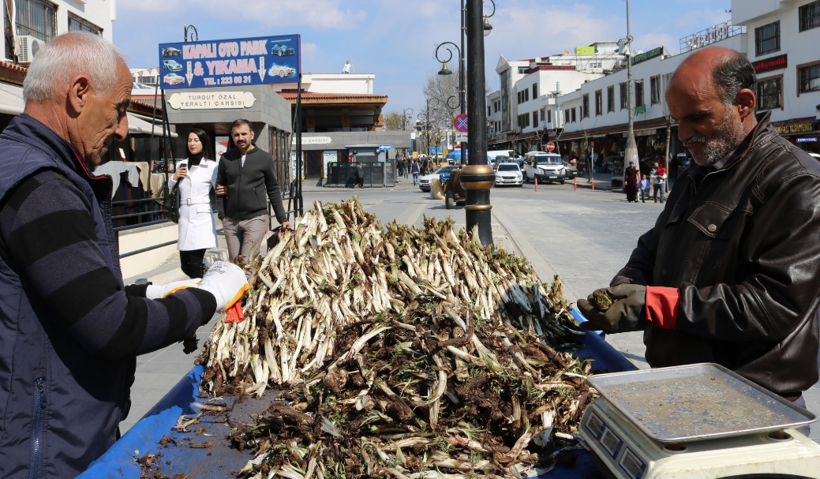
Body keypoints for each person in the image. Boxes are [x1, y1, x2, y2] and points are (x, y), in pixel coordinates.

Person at [0, 32, 249, 478]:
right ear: (79, 93)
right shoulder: (42, 187)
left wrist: (145, 292)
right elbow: (113, 327)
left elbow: (58, 297)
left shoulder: (18, 164)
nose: (122, 129)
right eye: (119, 109)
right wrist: (209, 297)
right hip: (44, 452)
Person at [577, 46, 820, 418]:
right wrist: (627, 286)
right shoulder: (696, 174)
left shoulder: (795, 182)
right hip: (679, 388)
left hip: (751, 402)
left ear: (743, 103)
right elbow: (652, 248)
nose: (684, 134)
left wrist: (653, 304)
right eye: (677, 120)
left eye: (697, 117)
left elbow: (774, 306)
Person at [216, 119, 291, 262]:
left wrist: (282, 218)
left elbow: (273, 189)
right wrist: (223, 216)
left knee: (246, 262)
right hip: (231, 220)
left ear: (252, 135)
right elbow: (219, 187)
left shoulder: (264, 158)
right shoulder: (226, 158)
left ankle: (248, 278)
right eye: (236, 135)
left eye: (244, 134)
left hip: (255, 218)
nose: (240, 138)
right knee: (234, 263)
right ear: (232, 137)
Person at [168, 127, 218, 279]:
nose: (192, 143)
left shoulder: (211, 166)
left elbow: (220, 189)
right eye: (190, 140)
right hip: (184, 216)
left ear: (203, 143)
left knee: (195, 266)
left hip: (201, 217)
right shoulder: (181, 165)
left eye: (196, 140)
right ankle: (209, 280)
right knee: (185, 266)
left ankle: (202, 290)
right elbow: (170, 188)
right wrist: (174, 177)